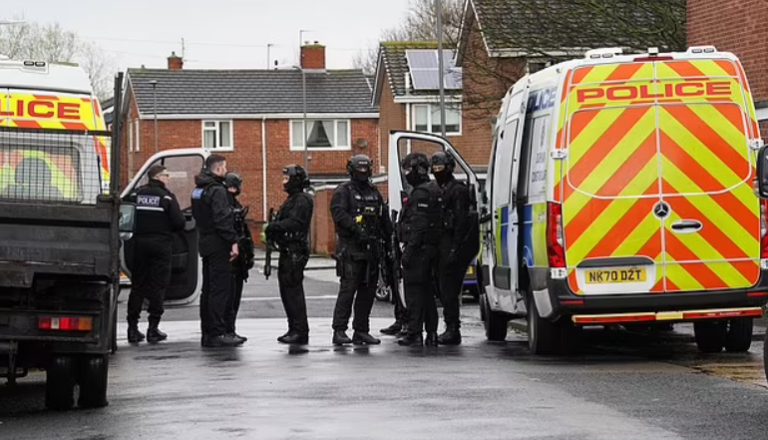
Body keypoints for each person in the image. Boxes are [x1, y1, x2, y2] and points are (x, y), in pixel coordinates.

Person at [330, 154, 392, 346]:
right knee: (348, 291)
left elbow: (383, 217)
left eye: (366, 169)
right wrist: (357, 230)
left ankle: (361, 330)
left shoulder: (374, 192)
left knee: (368, 292)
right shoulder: (343, 191)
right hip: (351, 249)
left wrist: (389, 239)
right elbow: (339, 215)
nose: (363, 173)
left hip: (372, 250)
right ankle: (339, 330)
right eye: (360, 170)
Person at [124, 164, 185, 343]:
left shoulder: (135, 195)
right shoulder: (166, 197)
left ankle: (132, 329)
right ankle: (153, 328)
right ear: (158, 177)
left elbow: (125, 215)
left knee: (138, 286)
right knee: (158, 286)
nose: (168, 178)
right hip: (160, 246)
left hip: (138, 244)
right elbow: (179, 222)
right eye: (166, 175)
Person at [191, 154, 244, 348]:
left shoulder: (198, 190)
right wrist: (233, 241)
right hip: (218, 243)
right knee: (220, 289)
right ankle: (218, 332)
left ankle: (207, 332)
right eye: (224, 167)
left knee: (208, 290)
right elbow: (222, 219)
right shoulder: (217, 190)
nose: (226, 170)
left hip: (205, 241)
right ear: (219, 168)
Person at [263, 165, 314, 344]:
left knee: (293, 292)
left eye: (287, 179)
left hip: (295, 251)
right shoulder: (292, 199)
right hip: (287, 250)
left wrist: (273, 227)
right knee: (286, 291)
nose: (284, 182)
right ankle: (293, 328)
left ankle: (300, 330)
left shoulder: (302, 200)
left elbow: (295, 223)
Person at [396, 152, 443, 347]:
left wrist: (408, 253)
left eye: (409, 170)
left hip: (419, 250)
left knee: (414, 292)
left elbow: (419, 226)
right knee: (427, 293)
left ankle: (414, 333)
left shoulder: (420, 193)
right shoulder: (436, 189)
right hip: (432, 249)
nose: (407, 174)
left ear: (418, 170)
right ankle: (431, 332)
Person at [431, 151, 473, 345]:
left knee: (449, 289)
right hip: (440, 243)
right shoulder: (438, 189)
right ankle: (449, 326)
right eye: (435, 168)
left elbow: (462, 222)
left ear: (449, 168)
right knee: (442, 288)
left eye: (440, 168)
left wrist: (455, 249)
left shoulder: (458, 191)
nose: (437, 171)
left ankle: (453, 328)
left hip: (451, 243)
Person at [223, 171, 254, 343]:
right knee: (231, 296)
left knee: (233, 295)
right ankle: (228, 330)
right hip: (232, 257)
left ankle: (229, 328)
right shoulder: (228, 205)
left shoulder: (232, 204)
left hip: (237, 258)